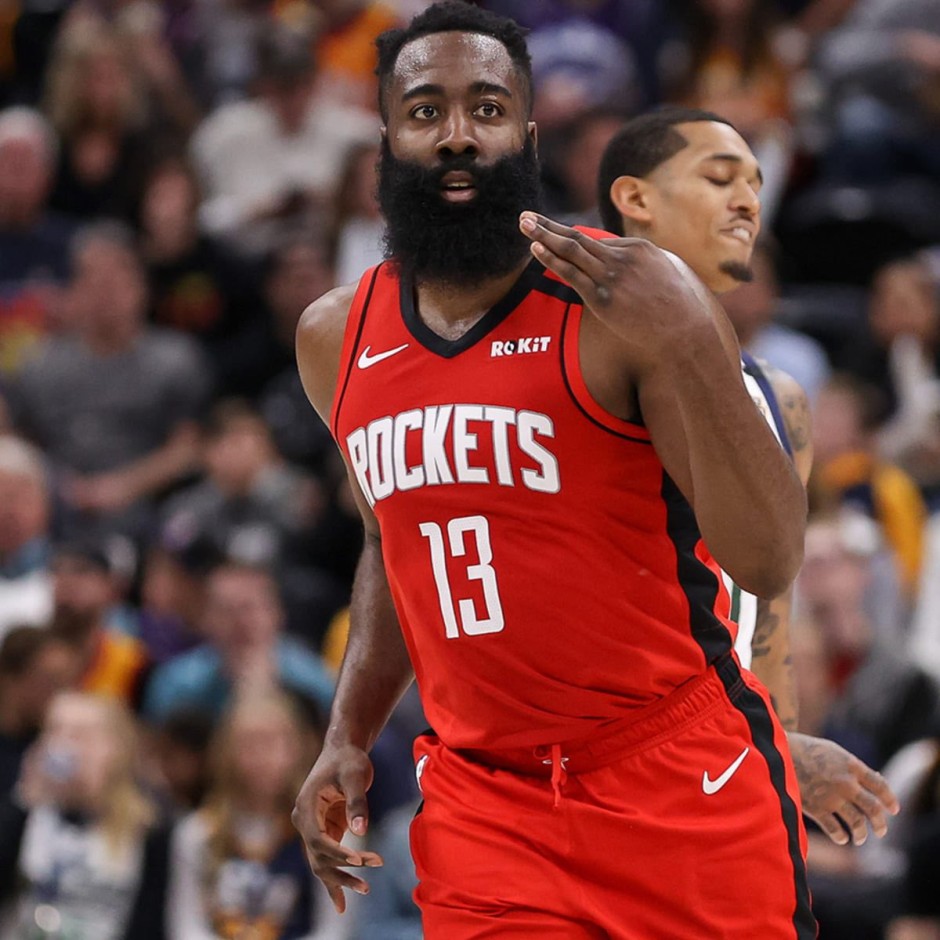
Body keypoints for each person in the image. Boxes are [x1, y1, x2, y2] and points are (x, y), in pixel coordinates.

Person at [293, 3, 814, 937]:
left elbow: (769, 559)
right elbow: (391, 539)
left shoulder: (627, 300)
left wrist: (692, 337)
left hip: (677, 778)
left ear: (529, 138)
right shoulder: (336, 336)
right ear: (386, 141)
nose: (458, 135)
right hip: (488, 808)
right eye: (425, 111)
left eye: (488, 109)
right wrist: (348, 732)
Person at [596, 106, 901, 847]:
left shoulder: (779, 396)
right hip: (609, 759)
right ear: (635, 199)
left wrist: (781, 754)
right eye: (719, 178)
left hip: (726, 757)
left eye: (757, 185)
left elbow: (770, 623)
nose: (748, 202)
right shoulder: (574, 366)